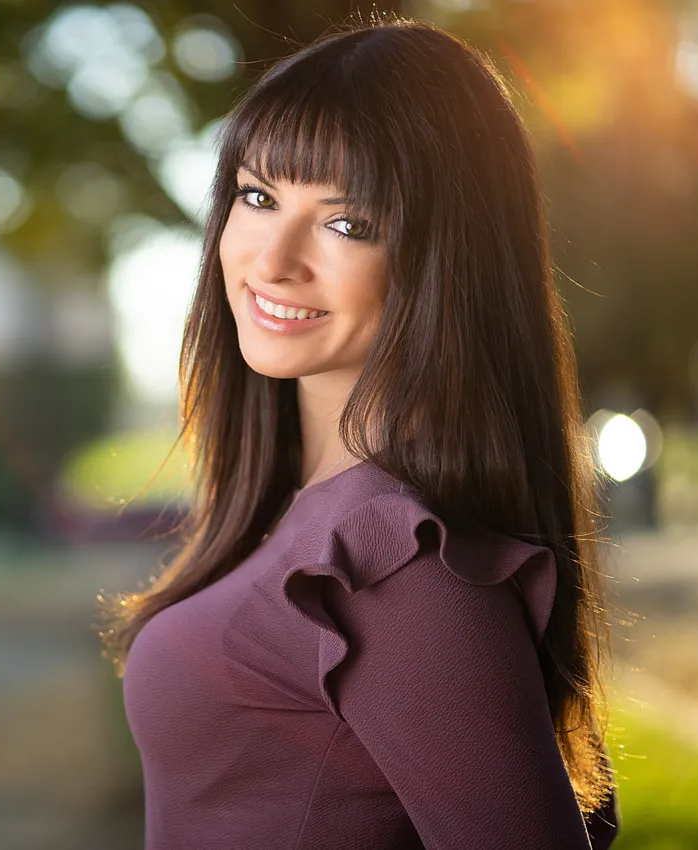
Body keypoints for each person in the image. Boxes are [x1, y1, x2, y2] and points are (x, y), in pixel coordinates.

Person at [97, 16, 621, 850]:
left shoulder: (397, 569)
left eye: (347, 224)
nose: (273, 261)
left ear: (444, 260)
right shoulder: (308, 517)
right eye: (258, 196)